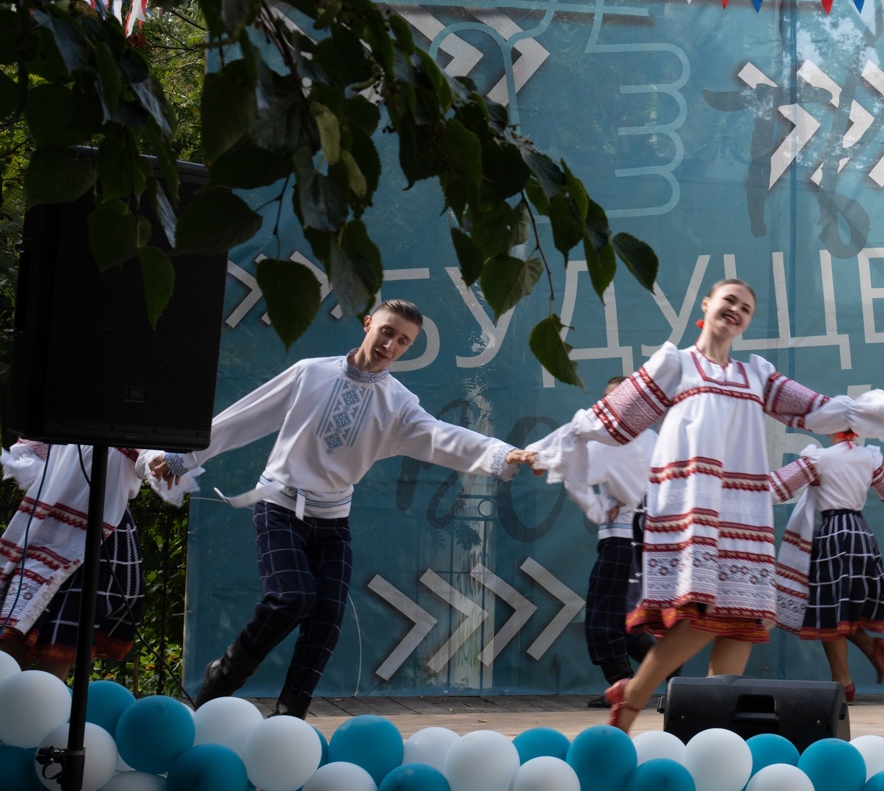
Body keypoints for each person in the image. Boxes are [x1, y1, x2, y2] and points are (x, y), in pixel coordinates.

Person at [527, 278, 884, 732]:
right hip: (693, 501)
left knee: (743, 615)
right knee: (705, 610)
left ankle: (709, 724)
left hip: (743, 506)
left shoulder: (756, 374)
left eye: (745, 306)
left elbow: (816, 410)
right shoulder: (676, 365)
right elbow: (612, 416)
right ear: (706, 305)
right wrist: (548, 449)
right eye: (729, 300)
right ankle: (638, 693)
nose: (736, 310)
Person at [143, 301, 533, 717]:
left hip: (332, 521)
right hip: (278, 506)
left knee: (326, 619)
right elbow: (247, 416)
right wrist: (185, 457)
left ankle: (290, 717)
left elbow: (442, 438)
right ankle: (220, 680)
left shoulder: (399, 403)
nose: (391, 344)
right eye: (387, 331)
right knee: (292, 599)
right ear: (368, 324)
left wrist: (500, 454)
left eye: (403, 341)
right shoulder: (312, 372)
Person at [769, 432, 884, 702]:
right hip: (859, 532)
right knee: (839, 608)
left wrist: (733, 487)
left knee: (829, 609)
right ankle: (862, 653)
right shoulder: (869, 457)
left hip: (833, 534)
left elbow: (777, 486)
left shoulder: (821, 458)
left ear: (831, 427)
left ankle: (843, 680)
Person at [0, 444, 188, 678]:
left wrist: (159, 461)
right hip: (50, 524)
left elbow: (144, 456)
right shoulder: (62, 413)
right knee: (16, 628)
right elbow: (26, 449)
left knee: (66, 634)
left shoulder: (128, 417)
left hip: (101, 528)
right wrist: (55, 481)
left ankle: (43, 705)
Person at [556, 375, 658, 707]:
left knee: (604, 619)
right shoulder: (653, 438)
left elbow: (575, 473)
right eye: (606, 400)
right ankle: (670, 674)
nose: (607, 407)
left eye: (616, 400)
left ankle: (625, 688)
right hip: (647, 541)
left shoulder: (615, 442)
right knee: (626, 621)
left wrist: (600, 508)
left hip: (622, 539)